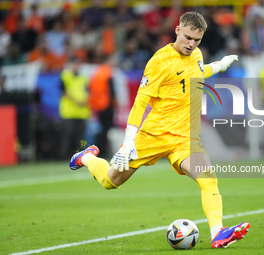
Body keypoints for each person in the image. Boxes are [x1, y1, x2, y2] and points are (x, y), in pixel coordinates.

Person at [69, 12, 250, 249]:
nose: (191, 44)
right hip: (154, 134)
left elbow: (195, 73)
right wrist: (128, 142)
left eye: (197, 40)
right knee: (110, 181)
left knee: (208, 178)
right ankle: (87, 157)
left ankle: (218, 233)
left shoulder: (195, 53)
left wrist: (218, 66)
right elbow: (140, 101)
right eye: (187, 37)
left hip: (184, 136)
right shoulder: (159, 62)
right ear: (177, 30)